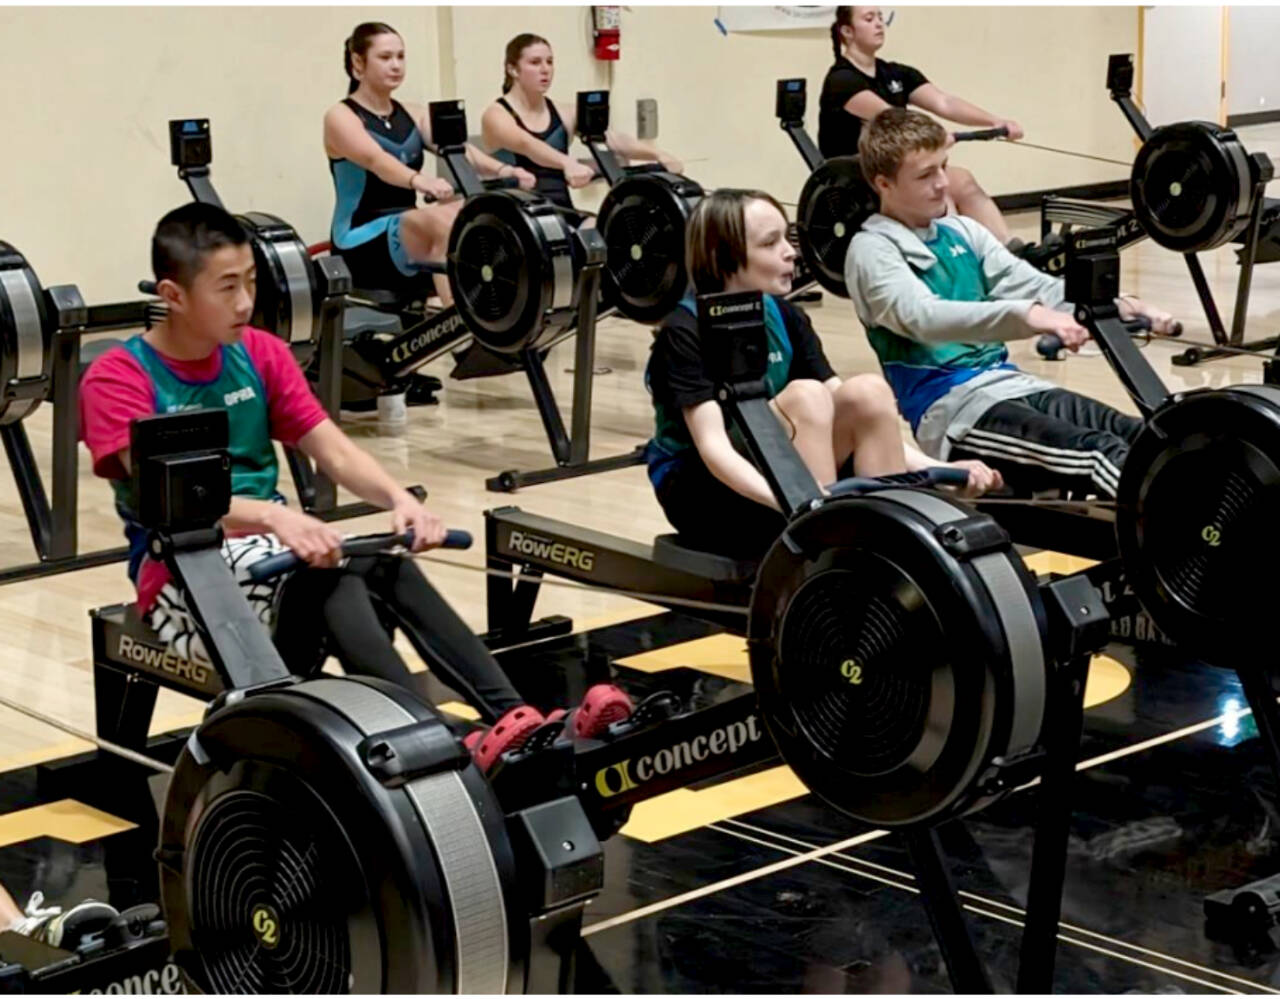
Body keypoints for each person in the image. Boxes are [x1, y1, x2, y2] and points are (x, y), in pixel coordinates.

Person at [79, 203, 630, 770]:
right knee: (334, 581)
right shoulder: (118, 379)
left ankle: (519, 724)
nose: (246, 301)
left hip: (271, 560)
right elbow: (167, 502)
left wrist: (398, 501)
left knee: (384, 563)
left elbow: (332, 448)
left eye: (249, 281)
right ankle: (440, 739)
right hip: (185, 582)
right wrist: (276, 517)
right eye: (226, 288)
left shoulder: (260, 353)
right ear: (172, 295)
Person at [643, 188, 1002, 557]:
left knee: (868, 391)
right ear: (723, 256)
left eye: (787, 237)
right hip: (705, 491)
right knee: (807, 396)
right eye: (770, 243)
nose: (790, 252)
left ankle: (887, 550)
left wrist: (940, 470)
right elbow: (715, 450)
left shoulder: (785, 315)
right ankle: (818, 549)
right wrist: (801, 502)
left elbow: (861, 411)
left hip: (789, 478)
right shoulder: (684, 332)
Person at [846, 108, 1179, 499]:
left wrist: (1118, 306)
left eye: (943, 168)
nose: (942, 184)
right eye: (925, 175)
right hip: (956, 413)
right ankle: (1193, 542)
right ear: (883, 183)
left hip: (1013, 385)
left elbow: (1035, 286)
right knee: (1098, 456)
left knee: (1144, 438)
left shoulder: (962, 232)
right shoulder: (872, 250)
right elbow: (923, 316)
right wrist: (1029, 317)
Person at [325, 22, 536, 305]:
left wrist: (505, 170)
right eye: (385, 58)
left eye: (401, 57)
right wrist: (420, 180)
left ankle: (497, 312)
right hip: (360, 238)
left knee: (476, 214)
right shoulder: (341, 116)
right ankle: (464, 331)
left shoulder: (412, 113)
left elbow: (458, 149)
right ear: (358, 62)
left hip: (408, 226)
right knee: (442, 222)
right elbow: (376, 160)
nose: (396, 65)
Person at [819, 6, 1038, 255]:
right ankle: (955, 258)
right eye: (869, 19)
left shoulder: (895, 73)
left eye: (880, 17)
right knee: (937, 188)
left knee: (961, 180)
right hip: (859, 181)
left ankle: (1011, 251)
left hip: (901, 170)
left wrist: (995, 122)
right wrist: (934, 138)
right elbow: (892, 118)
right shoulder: (841, 80)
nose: (879, 24)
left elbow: (945, 102)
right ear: (847, 31)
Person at [481, 33, 682, 224]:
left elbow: (610, 139)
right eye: (535, 62)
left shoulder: (564, 112)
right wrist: (567, 163)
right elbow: (527, 144)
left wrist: (658, 155)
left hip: (563, 214)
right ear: (513, 69)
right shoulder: (496, 115)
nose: (545, 69)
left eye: (550, 62)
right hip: (516, 221)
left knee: (614, 233)